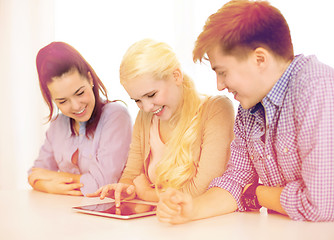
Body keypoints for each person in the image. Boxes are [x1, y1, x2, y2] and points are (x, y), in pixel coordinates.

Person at [157, 0, 334, 223]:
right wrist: (192, 209)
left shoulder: (318, 89)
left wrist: (257, 194)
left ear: (260, 59)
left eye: (222, 72)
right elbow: (237, 180)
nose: (219, 85)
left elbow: (321, 205)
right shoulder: (247, 110)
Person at [87, 39, 235, 207]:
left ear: (176, 76)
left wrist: (147, 194)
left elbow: (204, 190)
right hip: (160, 222)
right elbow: (132, 174)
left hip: (204, 225)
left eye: (151, 95)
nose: (147, 107)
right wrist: (125, 188)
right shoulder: (146, 116)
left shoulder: (216, 110)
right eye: (137, 100)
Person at [28, 42, 132, 196]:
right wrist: (48, 186)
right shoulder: (58, 125)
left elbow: (102, 184)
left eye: (80, 93)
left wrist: (53, 178)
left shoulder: (116, 116)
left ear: (90, 79)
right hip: (68, 213)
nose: (76, 106)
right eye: (62, 101)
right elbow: (34, 174)